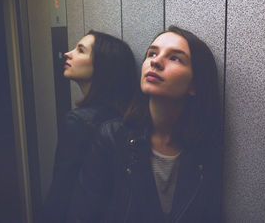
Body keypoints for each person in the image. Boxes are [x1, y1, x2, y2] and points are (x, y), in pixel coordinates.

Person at [76, 26, 223, 222]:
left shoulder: (204, 146)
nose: (156, 61)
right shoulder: (112, 137)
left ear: (193, 85)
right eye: (152, 53)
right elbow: (85, 215)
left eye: (175, 58)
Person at [40, 30, 138, 222]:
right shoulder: (125, 115)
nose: (68, 54)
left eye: (80, 50)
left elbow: (62, 193)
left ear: (103, 66)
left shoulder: (79, 122)